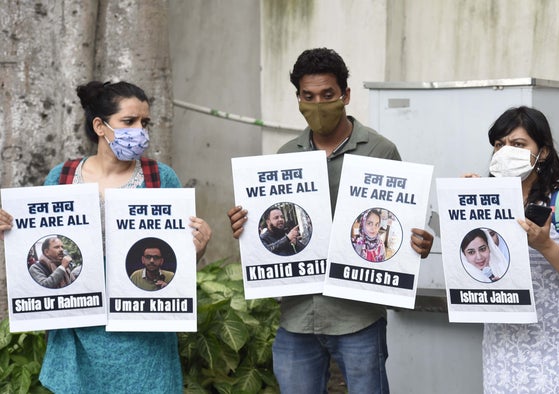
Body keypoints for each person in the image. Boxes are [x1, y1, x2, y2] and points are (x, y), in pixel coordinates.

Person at [227, 47, 434, 393]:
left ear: (346, 95)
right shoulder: (285, 156)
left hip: (357, 318)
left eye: (327, 95)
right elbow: (268, 233)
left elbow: (396, 222)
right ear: (298, 98)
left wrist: (415, 245)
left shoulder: (380, 150)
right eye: (308, 97)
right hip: (297, 316)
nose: (318, 105)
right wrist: (248, 228)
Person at [0, 80, 212, 393]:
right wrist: (10, 227)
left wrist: (198, 247)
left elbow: (175, 261)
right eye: (129, 122)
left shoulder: (160, 177)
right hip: (79, 329)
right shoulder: (61, 177)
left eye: (145, 122)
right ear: (100, 126)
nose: (140, 130)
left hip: (143, 335)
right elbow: (35, 238)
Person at [466, 106, 559, 392]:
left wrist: (546, 245)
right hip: (503, 346)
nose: (506, 151)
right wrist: (466, 203)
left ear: (542, 152)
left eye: (518, 144)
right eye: (500, 145)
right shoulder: (486, 201)